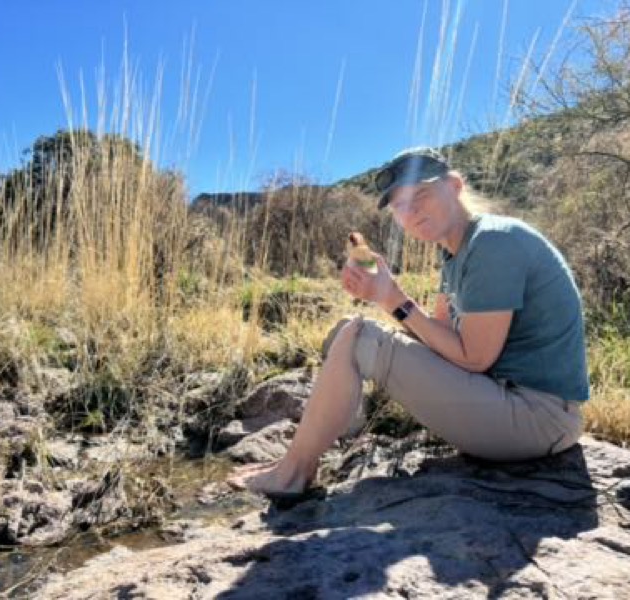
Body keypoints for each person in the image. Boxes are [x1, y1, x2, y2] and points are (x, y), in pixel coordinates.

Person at [228, 147, 590, 497]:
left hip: (538, 419)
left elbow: (474, 359)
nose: (412, 211)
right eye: (400, 205)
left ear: (455, 186)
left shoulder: (493, 242)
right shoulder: (454, 255)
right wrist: (383, 296)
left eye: (422, 193)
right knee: (349, 329)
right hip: (508, 406)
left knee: (359, 338)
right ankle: (301, 458)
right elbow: (441, 343)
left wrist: (394, 298)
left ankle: (292, 473)